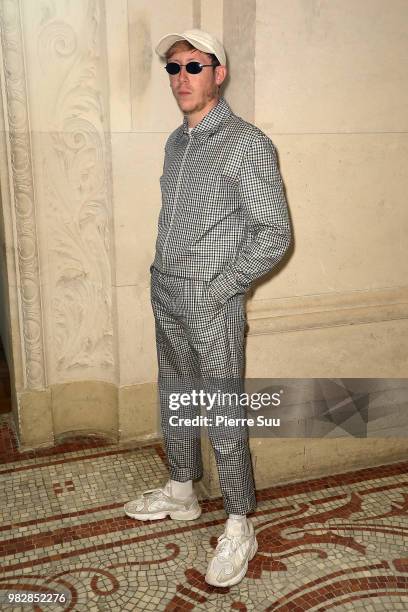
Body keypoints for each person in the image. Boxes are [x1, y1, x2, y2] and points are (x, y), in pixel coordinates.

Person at [124, 28, 291, 587]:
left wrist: (223, 287)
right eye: (173, 69)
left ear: (219, 74)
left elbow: (274, 234)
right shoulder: (177, 141)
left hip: (210, 300)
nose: (181, 79)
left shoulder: (247, 143)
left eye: (193, 67)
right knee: (174, 391)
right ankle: (181, 489)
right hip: (167, 291)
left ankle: (240, 522)